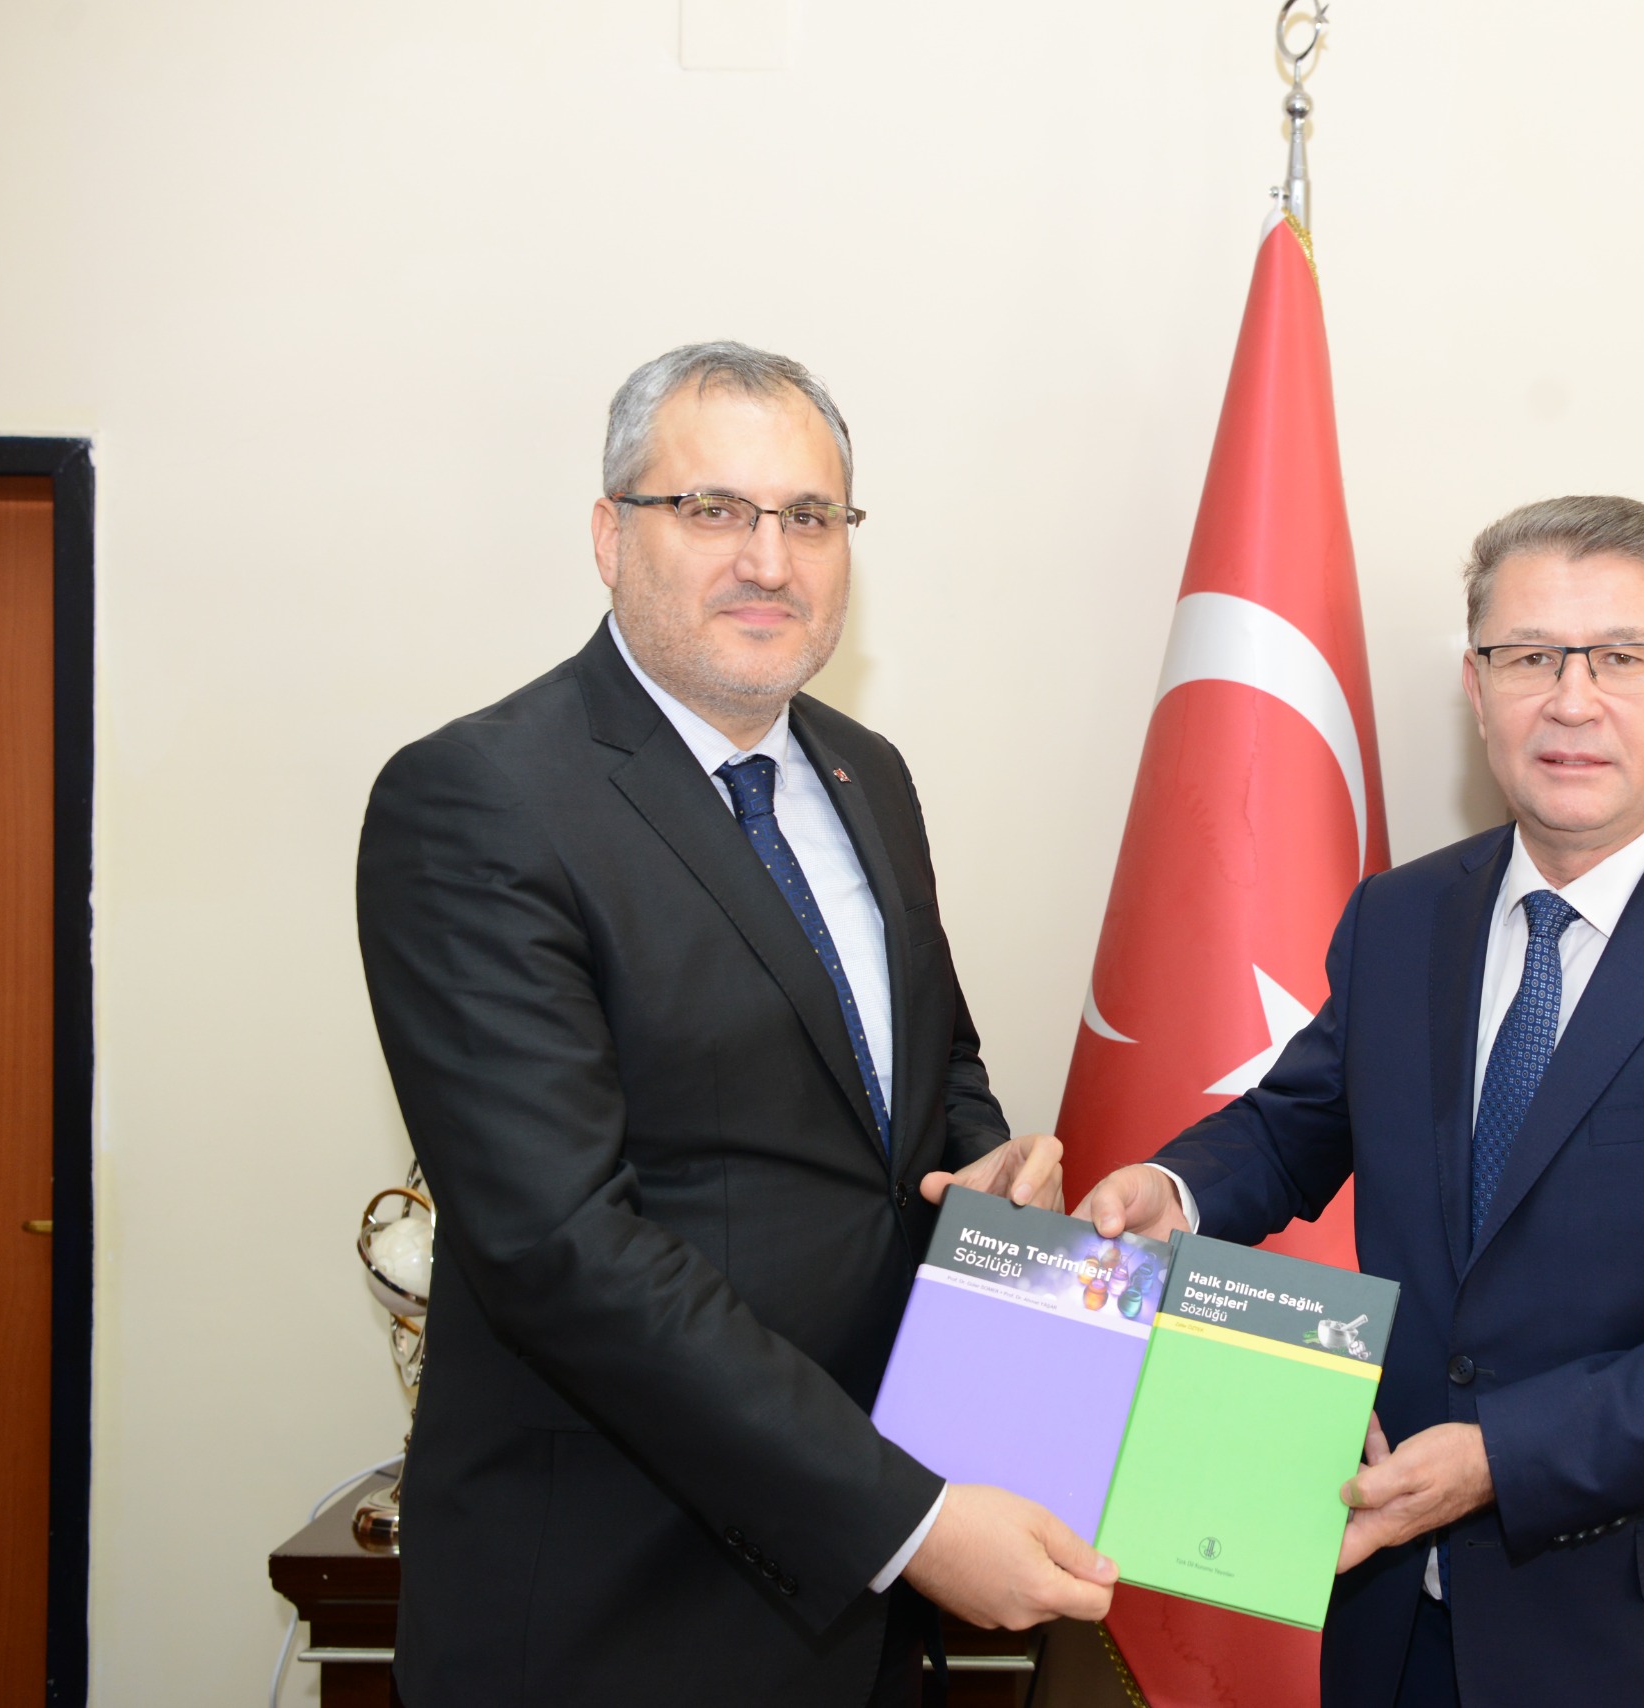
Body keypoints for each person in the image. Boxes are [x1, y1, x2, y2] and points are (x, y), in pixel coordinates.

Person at [1075, 496, 1644, 1708]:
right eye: (1528, 656)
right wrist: (1177, 1189)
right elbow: (1295, 1122)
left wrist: (1508, 1456)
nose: (1570, 700)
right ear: (1476, 688)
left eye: (1622, 656)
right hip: (1395, 1632)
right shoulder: (1397, 916)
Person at [355, 342, 1116, 1707]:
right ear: (609, 535)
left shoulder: (866, 775)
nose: (769, 560)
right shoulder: (479, 800)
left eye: (810, 517)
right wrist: (907, 1522)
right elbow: (561, 1246)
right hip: (617, 1609)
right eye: (713, 509)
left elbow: (929, 1070)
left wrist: (987, 1169)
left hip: (865, 1611)